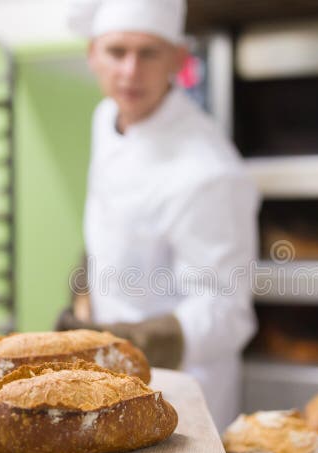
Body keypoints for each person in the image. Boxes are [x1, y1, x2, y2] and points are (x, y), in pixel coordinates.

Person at [59, 0, 259, 428]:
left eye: (148, 53)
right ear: (92, 53)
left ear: (178, 58)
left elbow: (226, 314)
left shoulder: (210, 172)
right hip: (107, 383)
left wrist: (120, 346)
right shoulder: (107, 117)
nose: (130, 72)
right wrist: (80, 300)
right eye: (117, 52)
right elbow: (111, 223)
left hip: (181, 395)